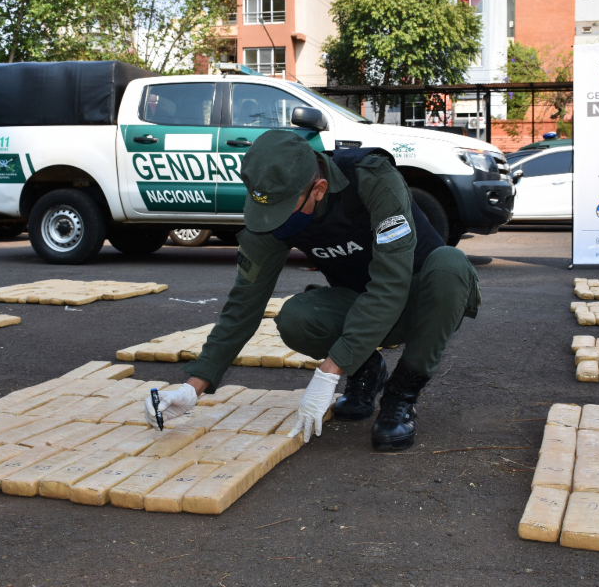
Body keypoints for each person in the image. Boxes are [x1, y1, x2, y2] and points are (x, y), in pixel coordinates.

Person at [144, 130, 480, 450]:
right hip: (361, 308)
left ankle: (400, 396)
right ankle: (367, 370)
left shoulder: (371, 179)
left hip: (420, 300)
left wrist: (329, 371)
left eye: (280, 210)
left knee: (451, 267)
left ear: (318, 189)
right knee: (297, 318)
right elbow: (243, 304)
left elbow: (392, 284)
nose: (271, 220)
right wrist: (193, 387)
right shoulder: (272, 212)